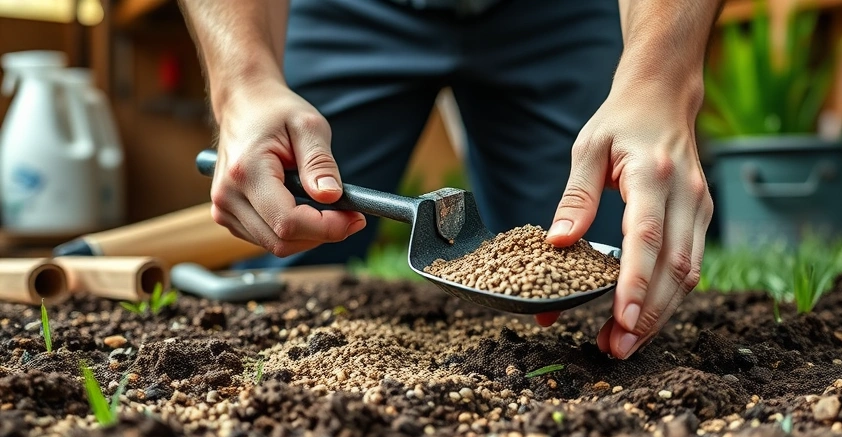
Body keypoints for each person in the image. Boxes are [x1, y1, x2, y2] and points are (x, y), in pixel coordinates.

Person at [178, 0, 718, 360]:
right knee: (288, 227)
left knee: (613, 251)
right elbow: (248, 93)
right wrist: (243, 82)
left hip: (558, 13)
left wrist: (658, 81)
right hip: (349, 10)